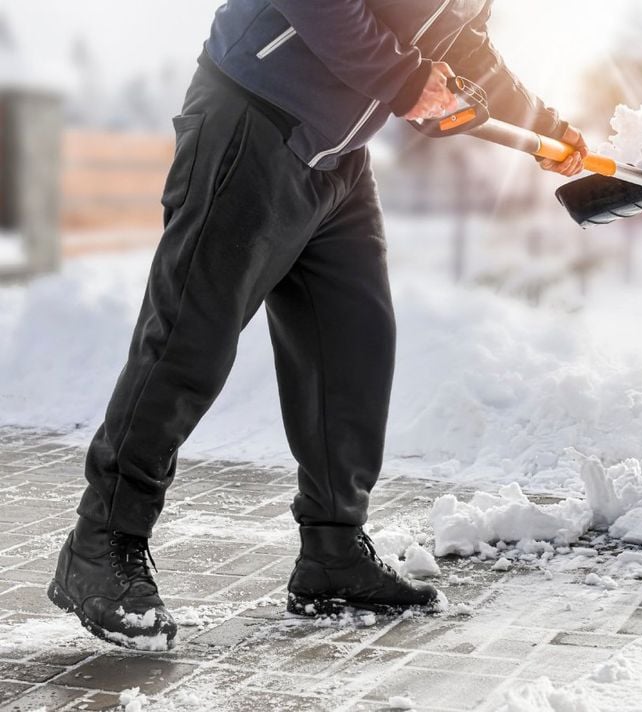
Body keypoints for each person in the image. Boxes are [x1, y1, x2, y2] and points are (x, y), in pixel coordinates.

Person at [46, 0, 588, 650]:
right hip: (254, 116)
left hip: (338, 154)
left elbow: (463, 45)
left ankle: (332, 554)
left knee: (354, 345)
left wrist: (546, 128)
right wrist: (406, 82)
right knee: (192, 338)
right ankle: (103, 544)